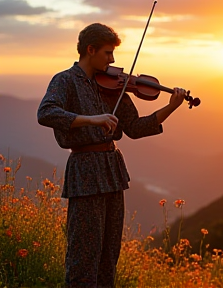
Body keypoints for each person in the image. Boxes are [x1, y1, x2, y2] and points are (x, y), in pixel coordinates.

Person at [37, 23, 187, 288]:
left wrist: (170, 107)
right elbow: (46, 113)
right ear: (90, 50)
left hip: (112, 172)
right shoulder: (65, 80)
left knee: (109, 255)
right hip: (85, 172)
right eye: (107, 53)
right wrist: (92, 120)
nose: (113, 60)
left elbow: (136, 128)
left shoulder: (111, 87)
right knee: (84, 252)